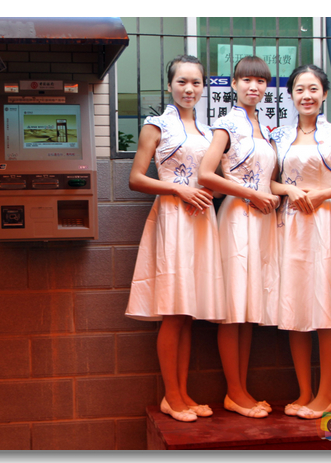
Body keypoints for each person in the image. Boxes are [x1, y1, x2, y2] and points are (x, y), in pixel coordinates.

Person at [124, 55, 227, 422]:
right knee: (173, 311)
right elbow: (136, 178)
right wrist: (178, 189)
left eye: (196, 82)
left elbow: (216, 179)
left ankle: (182, 394)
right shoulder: (156, 125)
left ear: (204, 87)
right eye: (182, 81)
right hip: (172, 218)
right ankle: (171, 395)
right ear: (170, 85)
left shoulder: (209, 131)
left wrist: (212, 191)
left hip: (202, 220)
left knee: (187, 314)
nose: (189, 89)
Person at [269, 64, 331, 419]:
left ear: (325, 94)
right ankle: (304, 392)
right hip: (292, 224)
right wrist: (290, 190)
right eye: (299, 89)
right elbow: (269, 182)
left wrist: (326, 193)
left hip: (326, 222)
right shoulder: (280, 135)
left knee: (326, 310)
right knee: (295, 308)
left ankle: (326, 395)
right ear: (291, 95)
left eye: (313, 89)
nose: (307, 96)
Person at [198, 55, 280, 419]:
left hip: (262, 220)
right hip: (236, 218)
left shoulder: (265, 126)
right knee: (234, 309)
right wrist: (251, 194)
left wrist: (279, 193)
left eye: (260, 81)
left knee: (249, 310)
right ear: (233, 84)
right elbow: (205, 174)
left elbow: (269, 180)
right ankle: (234, 391)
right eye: (246, 80)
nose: (253, 86)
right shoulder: (227, 124)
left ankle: (241, 390)